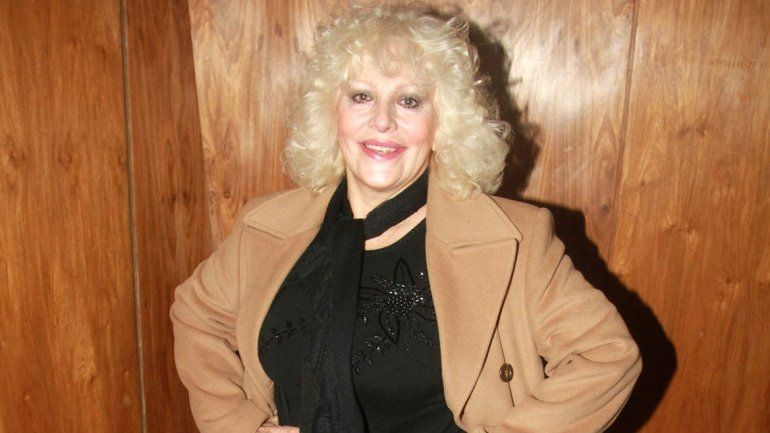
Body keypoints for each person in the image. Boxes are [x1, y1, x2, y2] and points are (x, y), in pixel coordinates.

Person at [170, 4, 641, 433]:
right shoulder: (264, 226)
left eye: (409, 100)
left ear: (444, 123)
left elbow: (606, 355)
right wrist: (239, 425)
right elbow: (196, 316)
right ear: (331, 111)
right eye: (361, 96)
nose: (382, 121)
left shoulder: (516, 239)